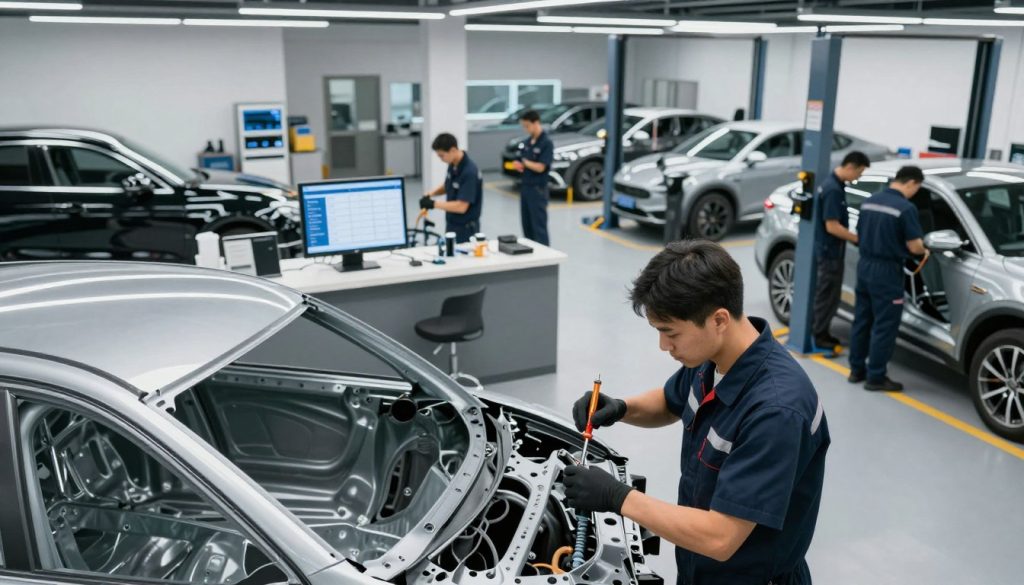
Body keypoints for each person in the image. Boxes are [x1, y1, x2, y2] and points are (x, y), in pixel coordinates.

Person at [563, 240, 830, 585]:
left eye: (670, 333)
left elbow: (720, 538)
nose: (664, 346)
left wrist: (617, 497)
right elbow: (672, 401)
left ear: (718, 319)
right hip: (699, 568)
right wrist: (620, 408)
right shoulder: (713, 357)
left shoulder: (776, 411)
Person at [847, 165, 928, 392]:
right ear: (911, 183)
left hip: (864, 266)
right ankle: (876, 377)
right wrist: (924, 249)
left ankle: (856, 370)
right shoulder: (906, 208)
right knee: (885, 325)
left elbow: (860, 234)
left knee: (862, 320)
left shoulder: (869, 201)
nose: (915, 193)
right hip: (887, 272)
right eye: (917, 188)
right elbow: (915, 246)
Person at [811, 151, 871, 349]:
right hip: (830, 253)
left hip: (829, 250)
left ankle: (821, 331)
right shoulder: (833, 190)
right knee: (828, 294)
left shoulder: (833, 184)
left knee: (827, 293)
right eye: (859, 173)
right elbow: (832, 226)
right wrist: (858, 239)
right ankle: (820, 335)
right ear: (850, 166)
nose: (859, 177)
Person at [421, 133, 483, 244]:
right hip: (452, 223)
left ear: (453, 150)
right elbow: (448, 185)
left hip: (466, 229)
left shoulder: (469, 172)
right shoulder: (454, 164)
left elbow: (461, 207)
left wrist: (433, 204)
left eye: (441, 156)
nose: (440, 159)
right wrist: (431, 193)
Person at [513, 110, 553, 246]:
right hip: (525, 187)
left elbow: (541, 167)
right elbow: (523, 160)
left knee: (539, 228)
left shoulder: (546, 143)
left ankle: (545, 259)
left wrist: (525, 163)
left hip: (538, 190)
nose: (526, 129)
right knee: (527, 226)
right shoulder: (527, 142)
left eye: (527, 126)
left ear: (536, 123)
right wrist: (519, 165)